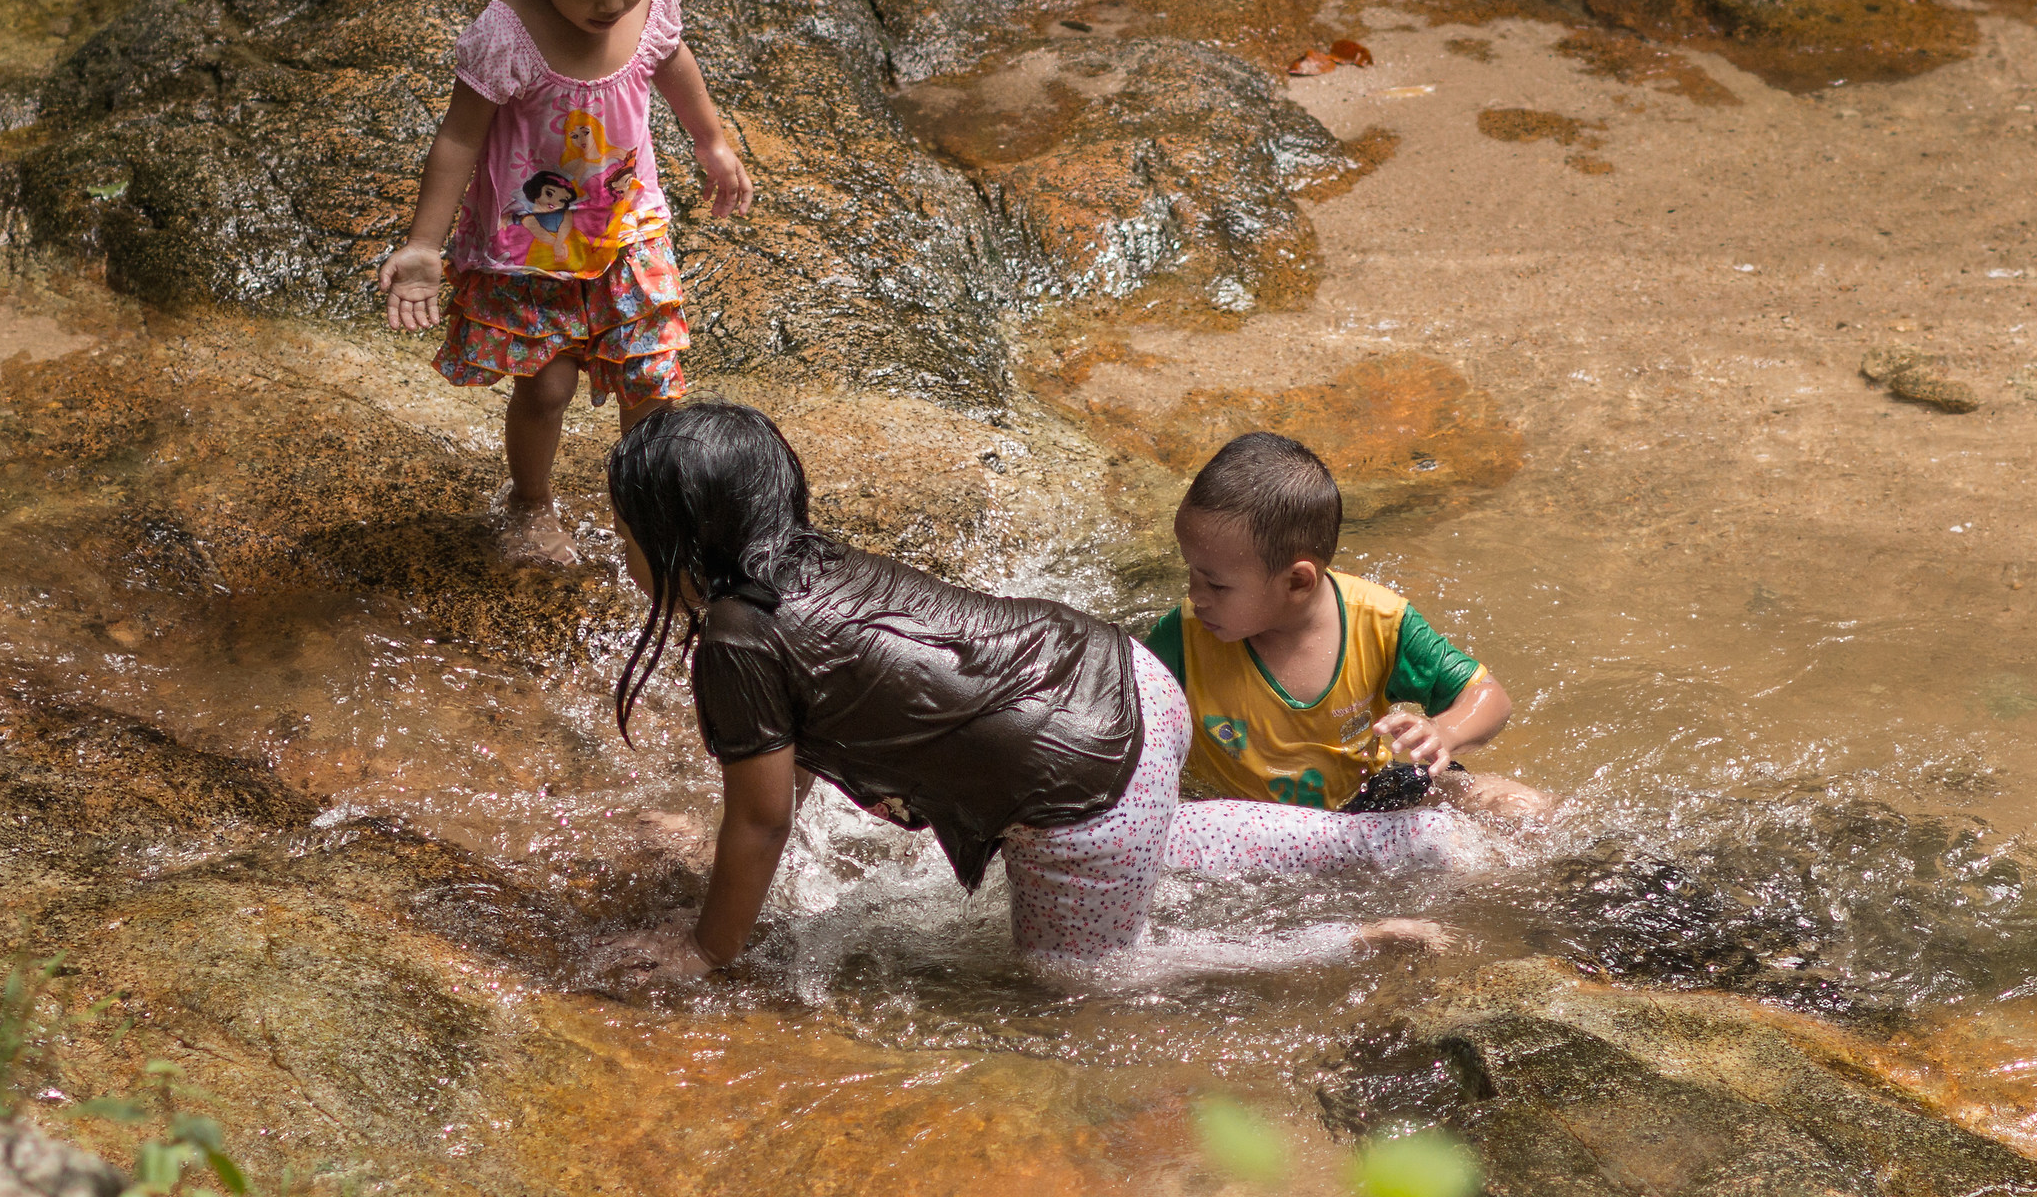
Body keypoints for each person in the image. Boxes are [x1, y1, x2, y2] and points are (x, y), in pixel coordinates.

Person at [604, 401, 1486, 980]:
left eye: (626, 533)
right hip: (1134, 682)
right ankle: (1398, 840)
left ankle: (1348, 943)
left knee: (1079, 978)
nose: (622, 552)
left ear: (680, 541)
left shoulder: (734, 636)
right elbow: (787, 779)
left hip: (1086, 781)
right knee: (1148, 834)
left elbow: (758, 819)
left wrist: (705, 949)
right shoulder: (808, 566)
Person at [378, 0, 752, 564]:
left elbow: (673, 63)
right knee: (546, 390)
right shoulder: (507, 35)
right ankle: (529, 501)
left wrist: (711, 143)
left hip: (627, 227)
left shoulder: (655, 3)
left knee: (653, 379)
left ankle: (644, 514)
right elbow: (459, 138)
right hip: (530, 247)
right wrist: (425, 245)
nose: (610, 2)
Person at [1146, 432, 1554, 821]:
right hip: (1234, 817)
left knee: (1521, 806)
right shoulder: (1181, 638)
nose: (1194, 595)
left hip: (1363, 798)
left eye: (1215, 583)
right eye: (1191, 571)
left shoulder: (1380, 624)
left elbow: (1489, 696)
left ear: (1297, 582)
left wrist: (1442, 733)